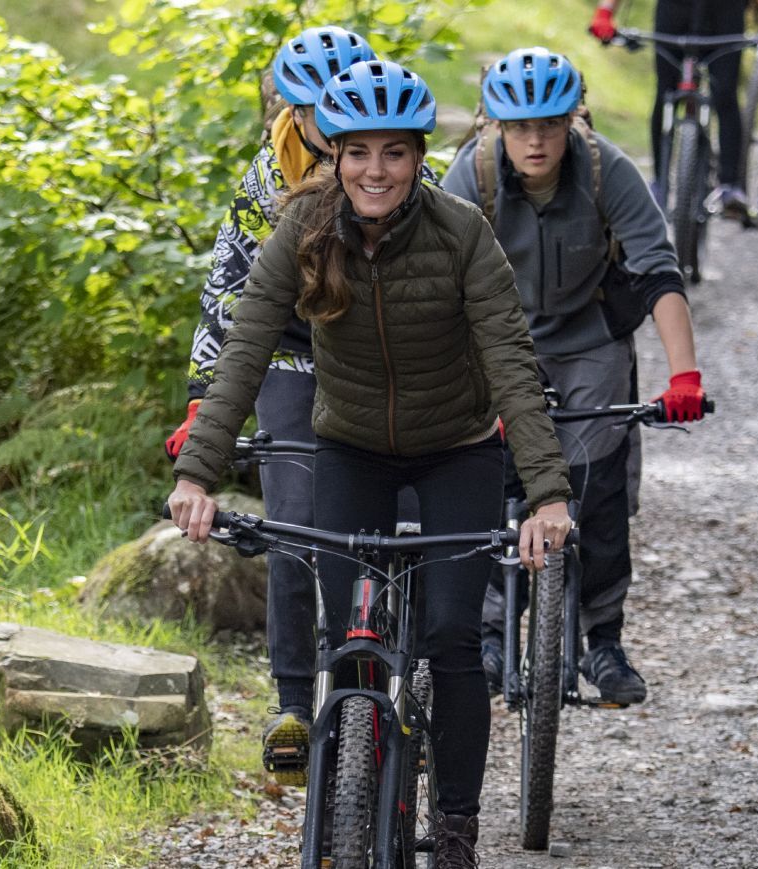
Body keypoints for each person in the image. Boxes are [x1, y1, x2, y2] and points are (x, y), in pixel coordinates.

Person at [166, 60, 574, 866]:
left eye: (394, 152)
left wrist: (545, 493)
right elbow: (245, 349)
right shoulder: (303, 227)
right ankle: (346, 796)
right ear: (335, 155)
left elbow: (510, 363)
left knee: (453, 638)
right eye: (358, 152)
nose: (375, 170)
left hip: (457, 447)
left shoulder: (462, 232)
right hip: (349, 448)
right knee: (346, 638)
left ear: (420, 157)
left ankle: (455, 825)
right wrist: (197, 473)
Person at [442, 47, 706, 706]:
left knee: (597, 481)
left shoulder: (603, 168)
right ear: (494, 125)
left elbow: (656, 270)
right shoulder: (467, 176)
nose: (535, 140)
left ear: (573, 120)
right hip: (495, 343)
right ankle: (491, 629)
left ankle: (603, 638)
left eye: (551, 124)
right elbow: (437, 285)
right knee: (487, 474)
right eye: (519, 126)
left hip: (589, 338)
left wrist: (684, 375)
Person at [161, 25, 376, 787]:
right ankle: (291, 698)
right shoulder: (264, 177)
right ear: (289, 108)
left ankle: (381, 674)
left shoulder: (395, 161)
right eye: (316, 108)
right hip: (287, 350)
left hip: (377, 354)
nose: (334, 119)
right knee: (290, 518)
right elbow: (226, 291)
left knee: (378, 523)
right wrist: (201, 399)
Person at [588, 0, 758, 219]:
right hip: (674, 10)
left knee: (724, 94)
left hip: (725, 13)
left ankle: (730, 186)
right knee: (666, 94)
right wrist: (605, 12)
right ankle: (659, 182)